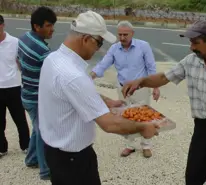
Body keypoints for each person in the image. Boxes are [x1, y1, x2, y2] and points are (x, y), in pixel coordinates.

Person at [121, 20, 206, 185]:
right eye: (190, 42)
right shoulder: (190, 62)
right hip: (202, 129)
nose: (191, 47)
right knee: (193, 177)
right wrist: (140, 81)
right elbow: (164, 77)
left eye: (195, 43)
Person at [38, 10, 159, 185]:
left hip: (55, 151)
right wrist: (143, 126)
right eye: (99, 42)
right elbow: (109, 124)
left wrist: (108, 102)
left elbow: (76, 94)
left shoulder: (54, 59)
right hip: (73, 159)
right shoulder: (73, 75)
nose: (100, 49)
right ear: (86, 39)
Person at [90, 20, 160, 158]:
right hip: (122, 89)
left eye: (125, 35)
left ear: (132, 33)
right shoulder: (114, 48)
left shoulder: (143, 46)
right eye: (120, 35)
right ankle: (130, 145)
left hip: (141, 88)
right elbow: (103, 64)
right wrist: (91, 75)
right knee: (126, 116)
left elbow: (151, 67)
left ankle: (146, 145)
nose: (122, 38)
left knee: (144, 117)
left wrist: (155, 86)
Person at [17, 6, 57, 180]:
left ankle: (31, 159)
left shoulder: (24, 38)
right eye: (48, 25)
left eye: (52, 25)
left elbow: (18, 61)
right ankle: (45, 171)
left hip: (26, 93)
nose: (52, 29)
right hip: (36, 98)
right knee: (43, 133)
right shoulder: (42, 51)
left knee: (37, 128)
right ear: (36, 26)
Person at [0, 14, 30, 158]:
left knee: (20, 119)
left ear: (3, 25)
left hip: (14, 86)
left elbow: (21, 62)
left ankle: (26, 145)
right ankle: (1, 148)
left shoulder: (15, 42)